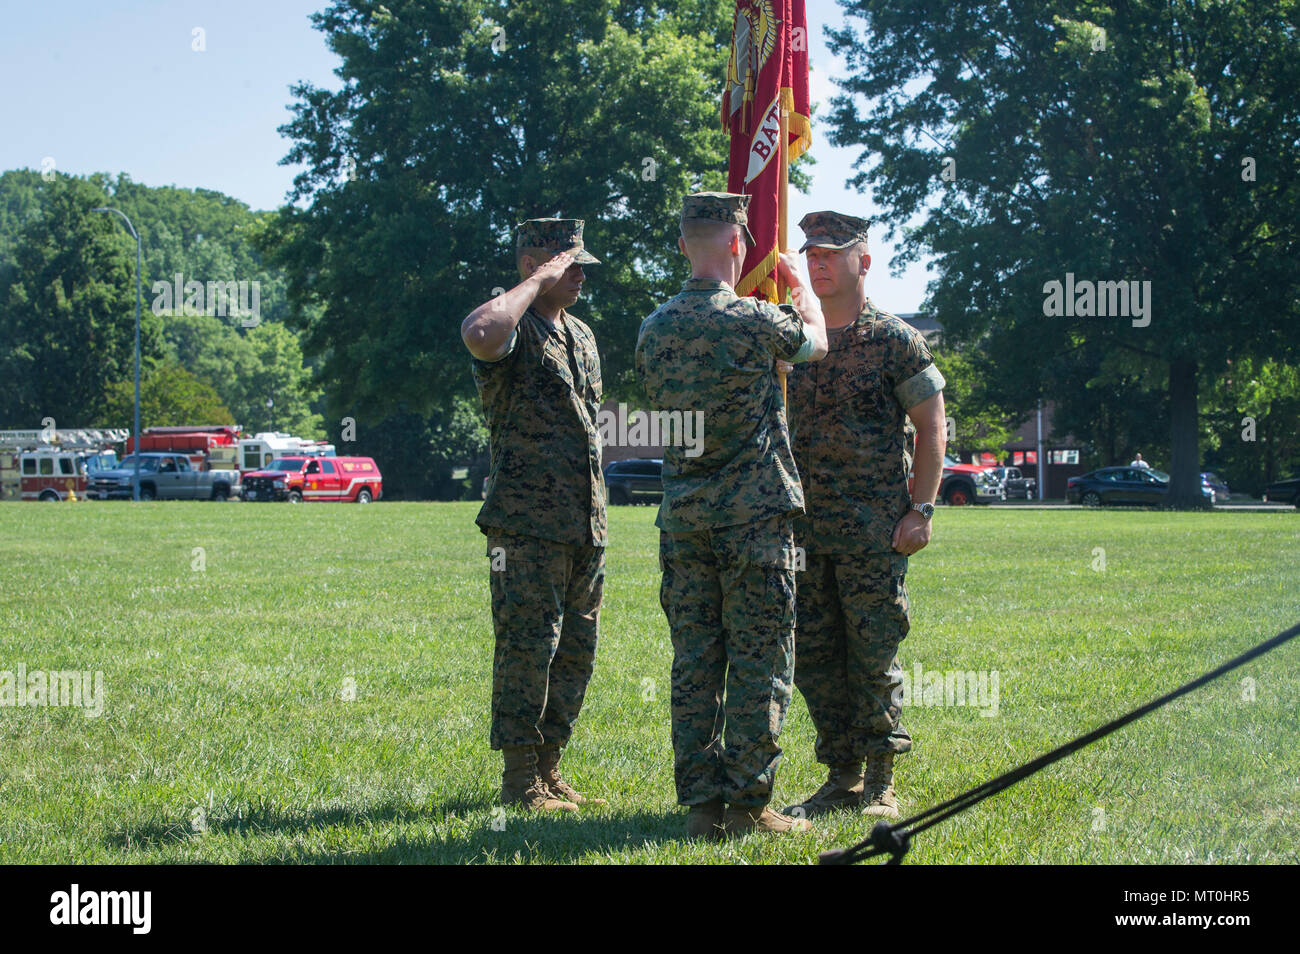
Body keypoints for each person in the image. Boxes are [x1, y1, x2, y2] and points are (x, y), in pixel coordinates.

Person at [634, 192, 828, 840]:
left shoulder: (653, 327)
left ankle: (699, 808)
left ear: (685, 245)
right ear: (739, 246)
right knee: (758, 661)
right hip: (754, 519)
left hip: (684, 520)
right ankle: (749, 805)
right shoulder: (755, 320)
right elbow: (814, 345)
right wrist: (800, 287)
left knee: (694, 664)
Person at [781, 211, 947, 820]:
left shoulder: (894, 338)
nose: (817, 262)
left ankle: (880, 778)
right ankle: (842, 774)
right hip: (803, 530)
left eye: (830, 253)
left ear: (863, 262)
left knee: (873, 653)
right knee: (815, 655)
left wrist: (922, 509)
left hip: (875, 530)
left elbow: (932, 424)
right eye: (811, 254)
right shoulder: (795, 335)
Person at [460, 218, 607, 814]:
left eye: (579, 266)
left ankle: (550, 766)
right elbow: (478, 332)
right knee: (527, 647)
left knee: (576, 648)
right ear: (533, 266)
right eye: (567, 265)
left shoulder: (583, 334)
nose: (578, 276)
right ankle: (519, 777)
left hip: (585, 520)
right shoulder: (511, 329)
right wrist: (534, 282)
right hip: (525, 523)